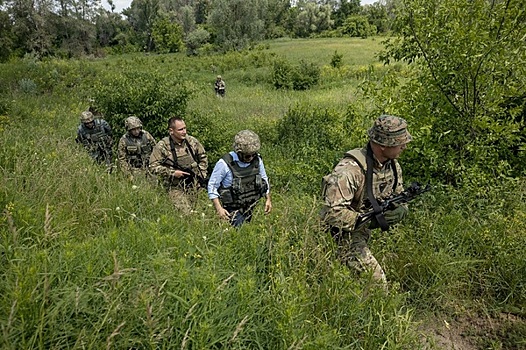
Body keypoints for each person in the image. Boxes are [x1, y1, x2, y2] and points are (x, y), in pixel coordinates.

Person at [320, 115, 412, 286]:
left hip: (360, 232)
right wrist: (370, 221)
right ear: (384, 145)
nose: (404, 146)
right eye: (400, 142)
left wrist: (401, 209)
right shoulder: (349, 171)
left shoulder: (392, 165)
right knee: (377, 283)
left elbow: (398, 193)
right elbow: (330, 213)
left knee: (351, 284)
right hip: (340, 235)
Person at [208, 130, 272, 228]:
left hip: (252, 206)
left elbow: (264, 178)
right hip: (233, 209)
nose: (251, 158)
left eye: (253, 154)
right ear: (239, 152)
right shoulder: (224, 164)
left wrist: (268, 199)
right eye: (247, 156)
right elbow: (212, 186)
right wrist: (219, 209)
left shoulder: (257, 160)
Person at [149, 116, 208, 213]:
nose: (184, 132)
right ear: (171, 131)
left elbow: (203, 158)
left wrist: (201, 174)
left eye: (185, 128)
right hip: (175, 187)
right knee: (186, 213)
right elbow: (152, 166)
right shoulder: (162, 146)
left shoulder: (192, 141)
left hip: (195, 184)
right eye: (180, 129)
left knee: (205, 210)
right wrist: (172, 173)